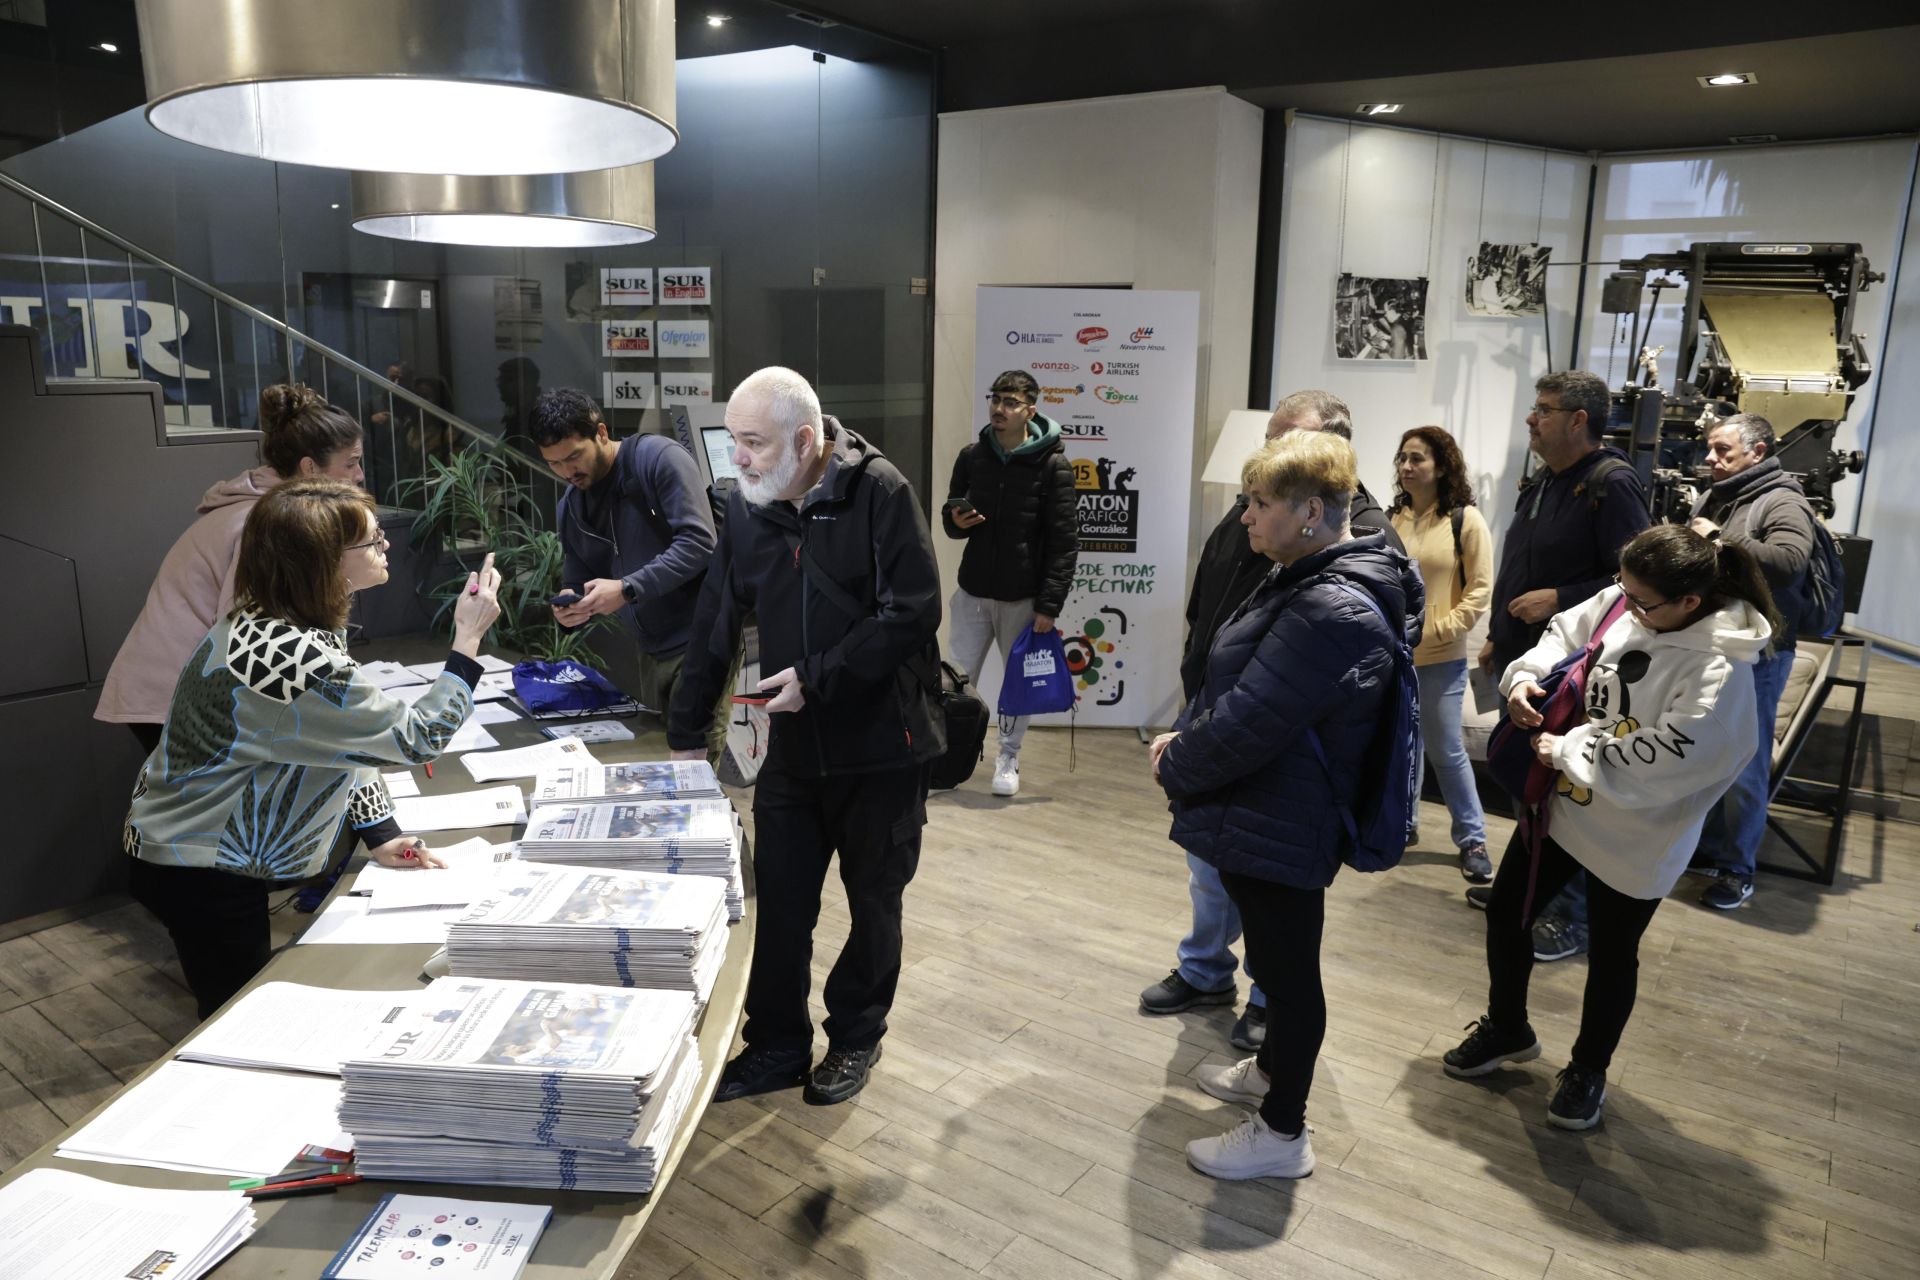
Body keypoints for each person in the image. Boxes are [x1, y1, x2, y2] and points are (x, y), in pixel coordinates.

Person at [666, 367, 942, 1107]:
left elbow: (913, 610)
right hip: (794, 748)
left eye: (754, 444)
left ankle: (856, 1037)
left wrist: (817, 678)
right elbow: (716, 622)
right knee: (780, 903)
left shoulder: (879, 491)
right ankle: (778, 1045)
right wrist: (687, 733)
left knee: (873, 901)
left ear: (805, 440)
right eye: (736, 443)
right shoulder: (747, 509)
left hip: (882, 747)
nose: (740, 460)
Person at [124, 480, 501, 1017]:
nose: (385, 546)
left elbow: (343, 743)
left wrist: (381, 835)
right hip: (197, 862)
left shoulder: (277, 622)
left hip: (200, 855)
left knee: (246, 1003)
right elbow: (416, 738)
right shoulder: (290, 656)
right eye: (372, 542)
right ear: (325, 560)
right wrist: (467, 642)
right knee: (237, 1020)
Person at [1154, 431, 1423, 1181]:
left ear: (1310, 510)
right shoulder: (1308, 574)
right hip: (1268, 806)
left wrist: (1178, 757)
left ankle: (1282, 1134)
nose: (1245, 516)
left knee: (1289, 976)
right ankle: (1271, 1077)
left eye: (1260, 503)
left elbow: (1252, 719)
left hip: (1286, 812)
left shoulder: (1330, 604)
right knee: (1278, 962)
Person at [1443, 525, 1775, 1129]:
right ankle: (1508, 1027)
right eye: (1624, 590)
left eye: (1643, 601)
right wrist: (1523, 680)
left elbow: (1678, 754)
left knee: (1613, 954)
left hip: (1641, 834)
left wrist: (1566, 751)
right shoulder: (1631, 598)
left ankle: (1588, 1069)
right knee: (1507, 913)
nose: (1628, 605)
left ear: (1690, 604)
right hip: (1564, 808)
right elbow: (1565, 633)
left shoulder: (1721, 669)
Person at [1139, 389, 1399, 1052]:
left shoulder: (1358, 541)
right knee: (1212, 870)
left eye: (1288, 440)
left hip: (1281, 763)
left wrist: (1186, 756)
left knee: (1276, 925)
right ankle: (1206, 973)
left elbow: (1290, 693)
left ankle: (1268, 1028)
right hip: (1228, 721)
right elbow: (1216, 601)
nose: (1270, 451)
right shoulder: (1259, 516)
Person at [1475, 371, 1649, 962]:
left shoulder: (1611, 483)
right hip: (1531, 660)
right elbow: (1519, 564)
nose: (1531, 419)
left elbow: (1635, 580)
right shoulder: (1548, 481)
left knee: (1567, 793)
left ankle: (1568, 916)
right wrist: (1501, 639)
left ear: (1579, 420)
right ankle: (1524, 888)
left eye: (1544, 410)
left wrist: (1560, 597)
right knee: (1531, 789)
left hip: (1572, 674)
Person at [95, 384, 367, 755]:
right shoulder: (267, 522)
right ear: (309, 467)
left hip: (184, 686)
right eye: (350, 463)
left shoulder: (268, 508)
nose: (359, 475)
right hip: (173, 691)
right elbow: (251, 634)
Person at [1688, 413, 1817, 909]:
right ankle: (1708, 849)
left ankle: (1738, 869)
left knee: (1746, 762)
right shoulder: (1717, 495)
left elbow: (1789, 561)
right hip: (1715, 645)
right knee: (1704, 751)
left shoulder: (1782, 498)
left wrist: (1719, 539)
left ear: (1757, 452)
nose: (1710, 458)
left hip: (1759, 653)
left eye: (1723, 450)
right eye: (1710, 449)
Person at [533, 387, 718, 727]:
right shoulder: (571, 506)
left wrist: (626, 588)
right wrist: (572, 608)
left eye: (574, 457)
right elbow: (577, 578)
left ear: (601, 433)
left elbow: (700, 542)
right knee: (661, 758)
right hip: (649, 648)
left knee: (694, 757)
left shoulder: (657, 458)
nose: (566, 471)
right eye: (554, 463)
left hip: (702, 638)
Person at [941, 369, 1079, 797]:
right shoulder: (971, 456)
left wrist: (1049, 605)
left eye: (1011, 402)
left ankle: (1008, 755)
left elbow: (1064, 542)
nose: (1000, 409)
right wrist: (955, 520)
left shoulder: (1054, 465)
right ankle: (946, 762)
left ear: (1030, 411)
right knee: (953, 682)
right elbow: (952, 522)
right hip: (972, 593)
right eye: (995, 399)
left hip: (1024, 598)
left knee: (1018, 685)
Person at [1388, 426, 1495, 881]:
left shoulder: (1464, 519)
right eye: (1402, 458)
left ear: (1441, 466)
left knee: (1446, 750)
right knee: (1402, 745)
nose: (1407, 467)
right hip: (1394, 653)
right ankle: (1404, 825)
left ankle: (1472, 838)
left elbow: (1480, 589)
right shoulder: (1393, 518)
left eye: (1417, 459)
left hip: (1441, 656)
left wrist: (1442, 629)